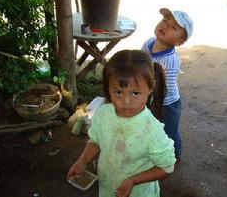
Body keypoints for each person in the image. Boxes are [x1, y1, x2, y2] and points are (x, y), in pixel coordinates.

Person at [66, 50, 176, 197]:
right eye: (118, 92)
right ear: (108, 88)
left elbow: (166, 167)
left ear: (150, 88)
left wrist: (133, 180)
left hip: (139, 193)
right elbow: (96, 141)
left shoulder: (152, 130)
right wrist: (82, 161)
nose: (126, 102)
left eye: (135, 93)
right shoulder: (104, 114)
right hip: (108, 186)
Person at [141, 8, 193, 163]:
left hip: (167, 104)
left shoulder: (170, 60)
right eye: (165, 21)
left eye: (174, 27)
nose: (165, 25)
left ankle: (174, 154)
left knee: (168, 132)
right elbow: (138, 64)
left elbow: (165, 89)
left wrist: (146, 97)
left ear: (180, 41)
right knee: (152, 128)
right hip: (150, 96)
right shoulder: (149, 43)